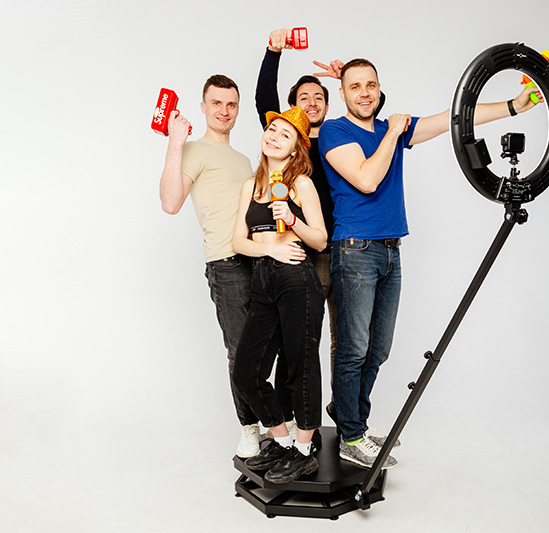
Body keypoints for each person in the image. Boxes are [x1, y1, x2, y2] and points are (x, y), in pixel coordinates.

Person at [319, 58, 543, 469]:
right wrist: (393, 132)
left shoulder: (391, 128)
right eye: (355, 86)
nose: (365, 93)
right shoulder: (336, 131)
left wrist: (513, 106)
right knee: (354, 349)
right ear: (343, 93)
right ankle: (351, 435)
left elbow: (451, 118)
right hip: (354, 250)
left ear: (379, 87)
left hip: (391, 250)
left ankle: (353, 420)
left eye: (371, 84)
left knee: (379, 349)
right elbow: (366, 179)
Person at [254, 29, 386, 418]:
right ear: (291, 106)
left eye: (319, 97)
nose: (312, 102)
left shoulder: (340, 137)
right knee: (298, 340)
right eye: (303, 98)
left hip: (342, 251)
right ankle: (298, 417)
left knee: (348, 341)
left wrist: (349, 81)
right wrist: (273, 52)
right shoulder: (288, 145)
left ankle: (345, 417)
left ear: (330, 104)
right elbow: (264, 100)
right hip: (299, 253)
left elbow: (371, 109)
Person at [158, 74, 262, 458]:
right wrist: (175, 142)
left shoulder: (244, 160)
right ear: (203, 107)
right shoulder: (192, 150)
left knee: (265, 348)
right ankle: (249, 429)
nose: (224, 110)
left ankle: (273, 425)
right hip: (226, 264)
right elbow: (170, 202)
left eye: (231, 104)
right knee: (240, 350)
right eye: (216, 103)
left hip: (258, 258)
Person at [231, 106, 327, 484]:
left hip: (296, 279)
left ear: (295, 148)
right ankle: (283, 441)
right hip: (263, 278)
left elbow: (319, 239)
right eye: (272, 129)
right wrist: (270, 249)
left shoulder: (301, 184)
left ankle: (303, 451)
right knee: (246, 372)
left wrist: (292, 217)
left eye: (285, 135)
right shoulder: (250, 186)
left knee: (300, 366)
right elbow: (238, 242)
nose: (274, 136)